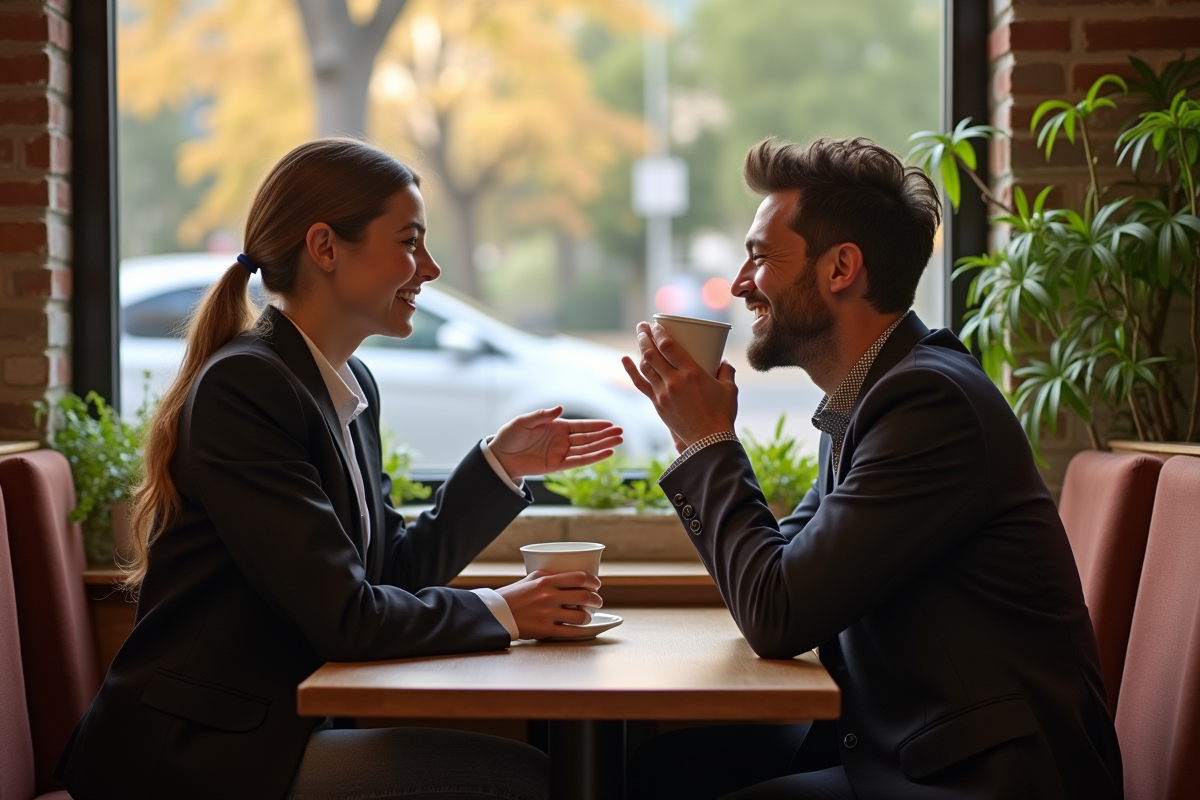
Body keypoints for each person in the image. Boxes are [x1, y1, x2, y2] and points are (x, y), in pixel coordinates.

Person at [55, 139, 622, 800]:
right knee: (523, 782)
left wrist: (499, 465)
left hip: (274, 732)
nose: (431, 268)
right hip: (199, 755)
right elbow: (347, 619)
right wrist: (505, 611)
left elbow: (390, 575)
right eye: (410, 242)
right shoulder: (246, 387)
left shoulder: (347, 383)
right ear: (324, 247)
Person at [622, 137, 1122, 799]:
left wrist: (706, 439)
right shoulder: (869, 397)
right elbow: (781, 574)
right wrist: (700, 439)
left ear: (841, 268)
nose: (741, 284)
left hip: (988, 778)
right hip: (910, 743)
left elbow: (777, 613)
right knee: (660, 769)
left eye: (761, 257)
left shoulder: (929, 404)